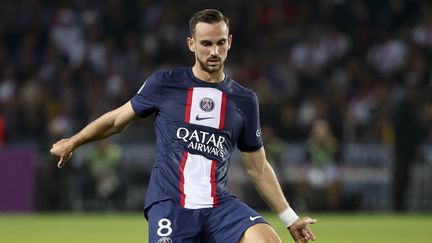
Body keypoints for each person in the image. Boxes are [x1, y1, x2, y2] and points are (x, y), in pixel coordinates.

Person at [50, 9, 316, 243]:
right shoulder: (165, 84)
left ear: (230, 42)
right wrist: (73, 141)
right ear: (191, 44)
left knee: (267, 241)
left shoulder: (244, 100)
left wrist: (290, 218)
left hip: (219, 205)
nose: (214, 51)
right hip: (171, 205)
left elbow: (257, 168)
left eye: (220, 43)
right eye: (206, 43)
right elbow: (117, 120)